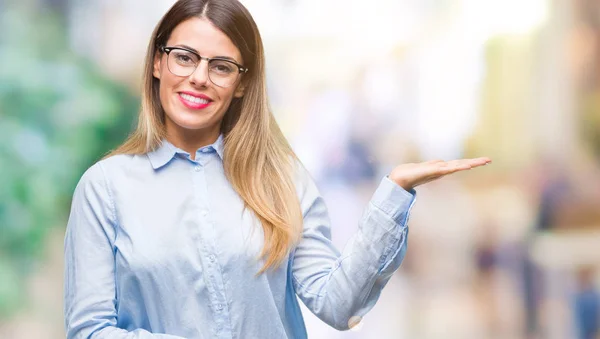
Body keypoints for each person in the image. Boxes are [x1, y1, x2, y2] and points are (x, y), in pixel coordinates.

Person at [63, 1, 491, 338]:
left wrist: (394, 193)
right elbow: (90, 330)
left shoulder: (279, 177)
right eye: (184, 57)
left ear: (242, 84)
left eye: (221, 66)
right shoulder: (104, 189)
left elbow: (338, 306)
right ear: (158, 64)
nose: (199, 77)